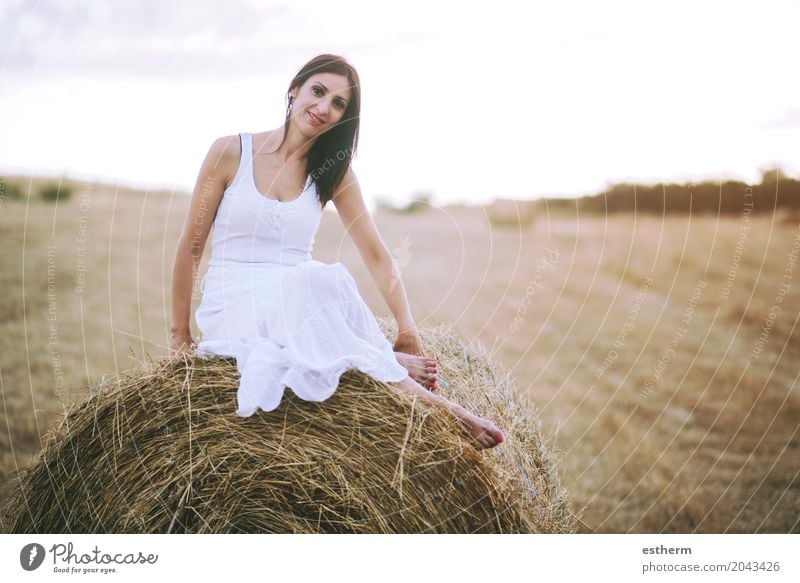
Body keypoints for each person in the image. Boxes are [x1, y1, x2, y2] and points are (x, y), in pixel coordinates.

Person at [170, 54, 504, 449]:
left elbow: (376, 253)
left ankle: (375, 358)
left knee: (319, 277)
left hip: (298, 298)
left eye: (338, 104)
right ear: (294, 90)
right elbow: (191, 246)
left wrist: (407, 329)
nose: (324, 107)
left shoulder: (333, 172)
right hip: (235, 302)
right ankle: (443, 407)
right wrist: (180, 336)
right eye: (318, 91)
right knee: (310, 280)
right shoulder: (230, 151)